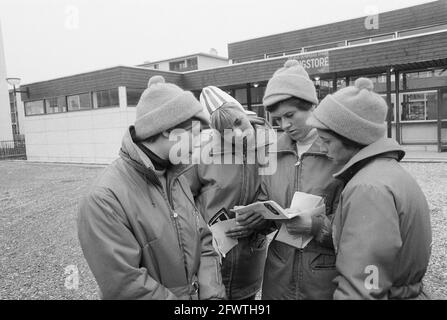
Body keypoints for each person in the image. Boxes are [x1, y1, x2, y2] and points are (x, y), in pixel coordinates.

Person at [77, 76, 226, 300]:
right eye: (195, 134)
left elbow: (204, 242)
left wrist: (213, 296)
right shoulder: (103, 199)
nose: (198, 145)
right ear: (167, 129)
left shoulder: (177, 178)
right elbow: (125, 285)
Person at [306, 77, 432, 299]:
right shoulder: (387, 173)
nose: (321, 148)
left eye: (326, 140)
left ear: (351, 137)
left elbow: (363, 285)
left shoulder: (367, 188)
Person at [237, 59, 344, 300]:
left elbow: (356, 225)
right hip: (278, 275)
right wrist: (256, 219)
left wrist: (316, 227)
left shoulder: (339, 153)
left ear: (311, 107)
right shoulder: (272, 154)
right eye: (277, 119)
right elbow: (267, 204)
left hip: (323, 277)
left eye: (290, 115)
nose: (285, 125)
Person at [183, 85, 270, 300]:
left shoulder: (269, 145)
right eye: (227, 131)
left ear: (244, 112)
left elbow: (276, 195)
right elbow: (183, 200)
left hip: (250, 258)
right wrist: (201, 230)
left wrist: (258, 222)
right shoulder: (202, 153)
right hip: (212, 257)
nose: (238, 134)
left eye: (239, 122)